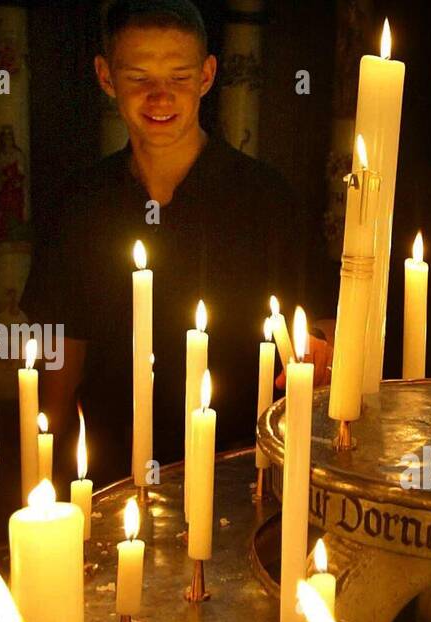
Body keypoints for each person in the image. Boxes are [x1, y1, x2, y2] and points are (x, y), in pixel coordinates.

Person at [23, 0, 332, 484]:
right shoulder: (80, 205)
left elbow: (321, 331)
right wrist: (45, 475)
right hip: (110, 475)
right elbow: (60, 357)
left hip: (243, 472)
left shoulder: (268, 200)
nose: (160, 97)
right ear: (106, 77)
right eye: (139, 77)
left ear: (207, 76)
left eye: (179, 77)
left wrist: (322, 358)